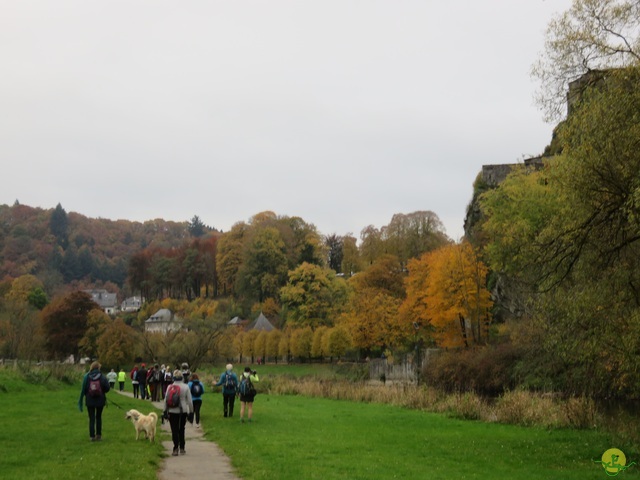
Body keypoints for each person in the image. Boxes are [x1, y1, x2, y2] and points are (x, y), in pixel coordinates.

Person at [78, 360, 111, 441]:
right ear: (98, 367)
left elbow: (84, 389)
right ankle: (98, 435)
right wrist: (102, 391)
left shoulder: (87, 376)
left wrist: (88, 394)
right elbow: (107, 388)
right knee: (98, 417)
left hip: (90, 400)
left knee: (91, 418)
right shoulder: (102, 377)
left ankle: (92, 436)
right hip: (100, 400)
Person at [164, 369, 194, 456]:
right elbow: (190, 401)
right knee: (181, 429)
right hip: (182, 411)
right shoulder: (186, 387)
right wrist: (191, 412)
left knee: (174, 430)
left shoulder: (169, 387)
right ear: (182, 377)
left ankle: (175, 448)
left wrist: (165, 411)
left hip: (172, 410)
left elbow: (166, 399)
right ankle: (182, 448)